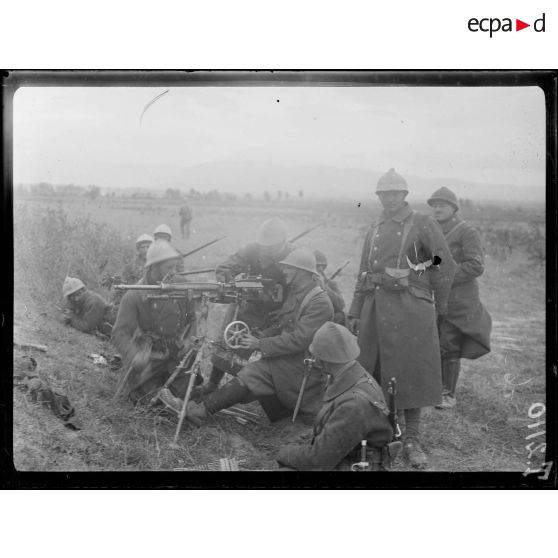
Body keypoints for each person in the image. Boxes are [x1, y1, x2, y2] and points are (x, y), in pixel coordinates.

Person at [347, 168, 456, 469]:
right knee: (374, 373)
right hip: (374, 309)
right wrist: (355, 310)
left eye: (395, 193)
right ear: (379, 196)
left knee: (410, 374)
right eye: (384, 194)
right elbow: (362, 272)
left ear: (405, 195)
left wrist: (412, 274)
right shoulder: (376, 226)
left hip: (410, 310)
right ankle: (380, 434)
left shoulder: (422, 223)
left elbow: (441, 261)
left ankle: (413, 440)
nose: (390, 199)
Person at [172, 248, 334, 424]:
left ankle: (201, 411)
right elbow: (281, 324)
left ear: (302, 272)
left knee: (255, 372)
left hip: (304, 367)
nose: (284, 271)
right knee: (253, 375)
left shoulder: (320, 303)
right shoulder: (297, 292)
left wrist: (260, 344)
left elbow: (300, 340)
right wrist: (259, 335)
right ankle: (200, 406)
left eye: (289, 268)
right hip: (290, 360)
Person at [196, 217, 298, 395]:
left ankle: (268, 391)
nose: (267, 249)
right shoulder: (252, 249)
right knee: (230, 343)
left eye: (272, 246)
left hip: (282, 313)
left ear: (283, 241)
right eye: (265, 245)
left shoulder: (295, 254)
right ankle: (213, 385)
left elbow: (302, 287)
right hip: (251, 308)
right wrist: (235, 282)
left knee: (278, 353)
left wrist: (286, 310)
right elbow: (224, 268)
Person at [276, 321, 395, 471]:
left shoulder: (353, 404)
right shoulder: (357, 376)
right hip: (353, 457)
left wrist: (285, 453)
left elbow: (318, 461)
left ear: (321, 359)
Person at [427, 187, 492, 409]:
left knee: (449, 344)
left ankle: (448, 394)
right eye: (434, 204)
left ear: (454, 208)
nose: (437, 208)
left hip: (458, 300)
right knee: (433, 342)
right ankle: (434, 387)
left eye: (442, 205)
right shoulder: (430, 229)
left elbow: (476, 265)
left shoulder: (467, 231)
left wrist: (445, 276)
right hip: (433, 297)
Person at [111, 241, 195, 403]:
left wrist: (188, 339)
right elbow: (119, 333)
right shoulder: (134, 295)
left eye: (175, 267)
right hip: (150, 355)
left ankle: (172, 396)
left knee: (185, 394)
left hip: (176, 354)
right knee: (143, 399)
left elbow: (192, 318)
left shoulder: (181, 286)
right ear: (153, 267)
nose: (173, 273)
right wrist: (135, 355)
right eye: (168, 268)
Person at [314, 249, 346, 325]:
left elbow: (341, 305)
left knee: (340, 316)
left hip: (326, 317)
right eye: (317, 267)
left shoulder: (329, 283)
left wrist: (326, 287)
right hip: (314, 316)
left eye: (322, 269)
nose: (320, 271)